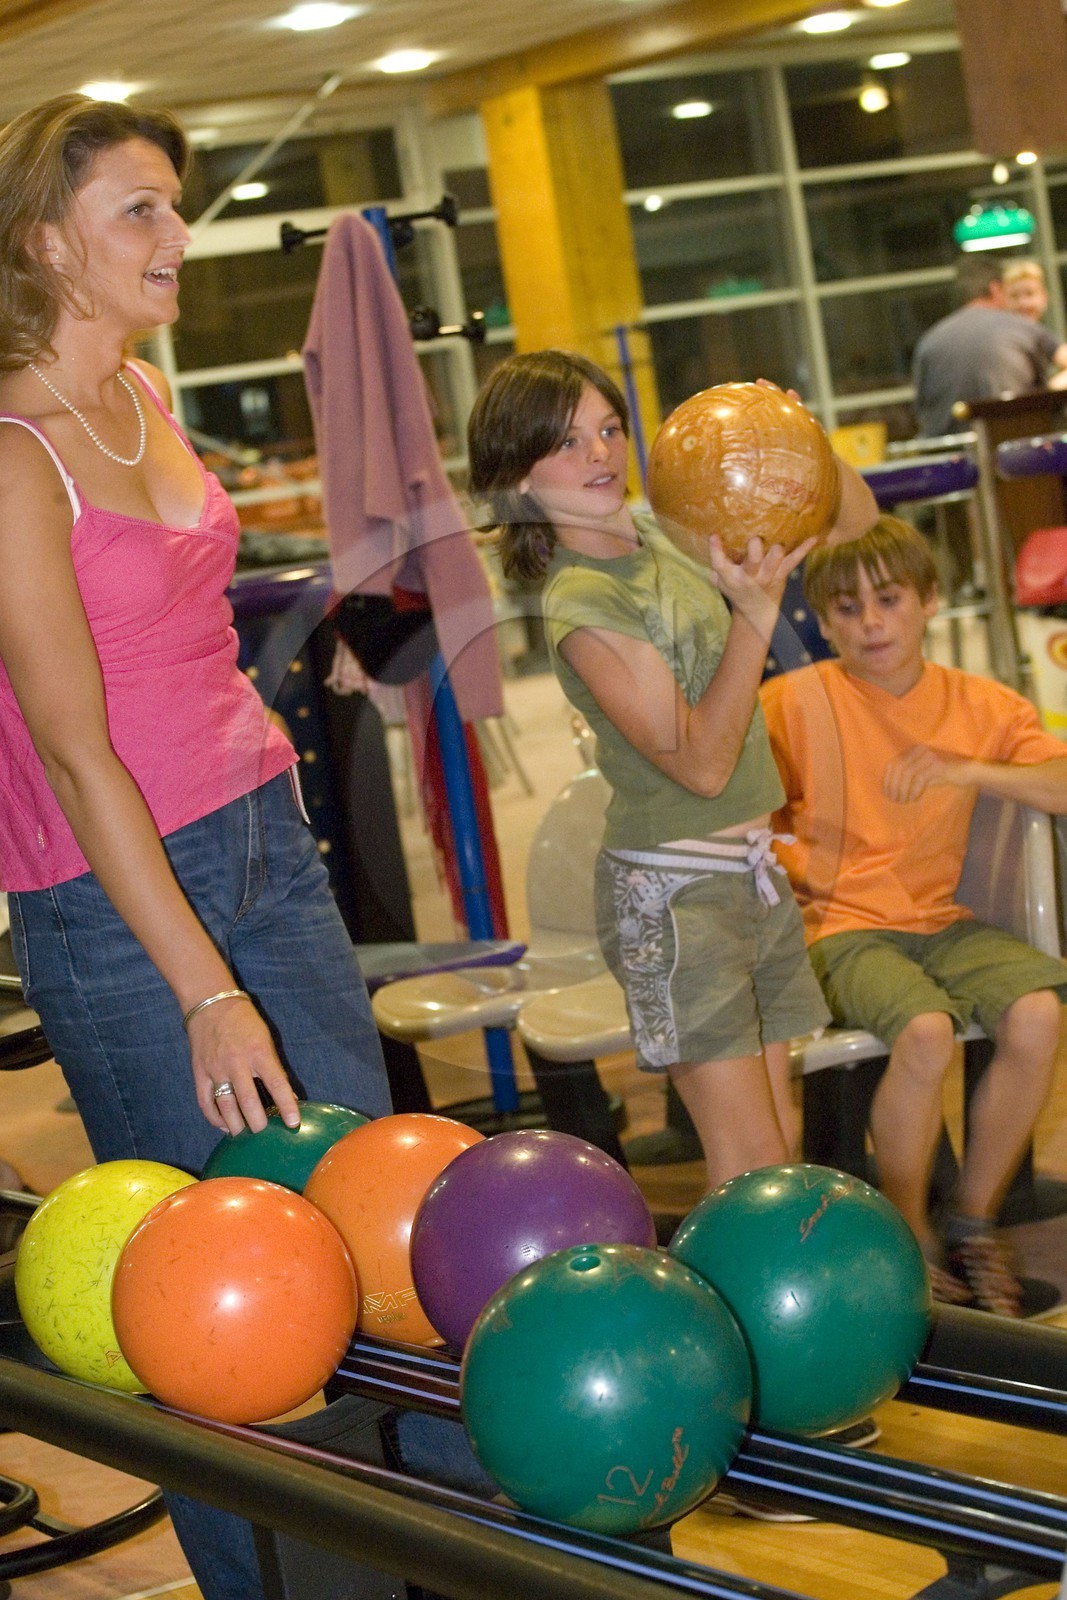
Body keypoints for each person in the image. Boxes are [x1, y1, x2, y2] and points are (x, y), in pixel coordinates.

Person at [0, 93, 483, 1600]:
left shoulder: (146, 396)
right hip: (123, 902)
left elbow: (195, 631)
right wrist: (204, 986)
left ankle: (427, 1560)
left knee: (361, 1232)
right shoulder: (13, 454)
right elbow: (77, 754)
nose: (177, 236)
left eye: (172, 205)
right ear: (44, 243)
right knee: (219, 1289)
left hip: (264, 841)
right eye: (138, 209)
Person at [467, 349, 878, 1194]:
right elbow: (698, 764)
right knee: (748, 1165)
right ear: (515, 478)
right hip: (674, 900)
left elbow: (852, 520)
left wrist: (800, 444)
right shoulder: (582, 603)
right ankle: (741, 1322)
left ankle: (776, 1321)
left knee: (781, 1147)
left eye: (608, 429)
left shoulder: (658, 528)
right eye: (567, 442)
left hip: (748, 881)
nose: (601, 455)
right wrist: (756, 615)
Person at [760, 515, 1067, 1316]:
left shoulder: (980, 704)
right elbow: (738, 812)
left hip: (943, 920)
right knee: (926, 1033)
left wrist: (962, 768)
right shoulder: (794, 700)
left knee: (1036, 1016)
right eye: (847, 609)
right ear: (822, 623)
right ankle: (910, 1235)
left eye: (887, 600)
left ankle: (970, 1219)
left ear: (928, 601)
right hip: (839, 928)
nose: (869, 623)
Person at [912, 254, 1067, 439]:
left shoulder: (928, 341)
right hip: (1015, 452)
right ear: (996, 289)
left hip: (947, 454)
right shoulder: (1020, 327)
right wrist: (1048, 392)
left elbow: (921, 410)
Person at [1002, 259, 1067, 390]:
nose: (1023, 303)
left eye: (1030, 294)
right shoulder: (1000, 335)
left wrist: (1047, 392)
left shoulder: (1041, 335)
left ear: (1044, 297)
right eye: (1014, 296)